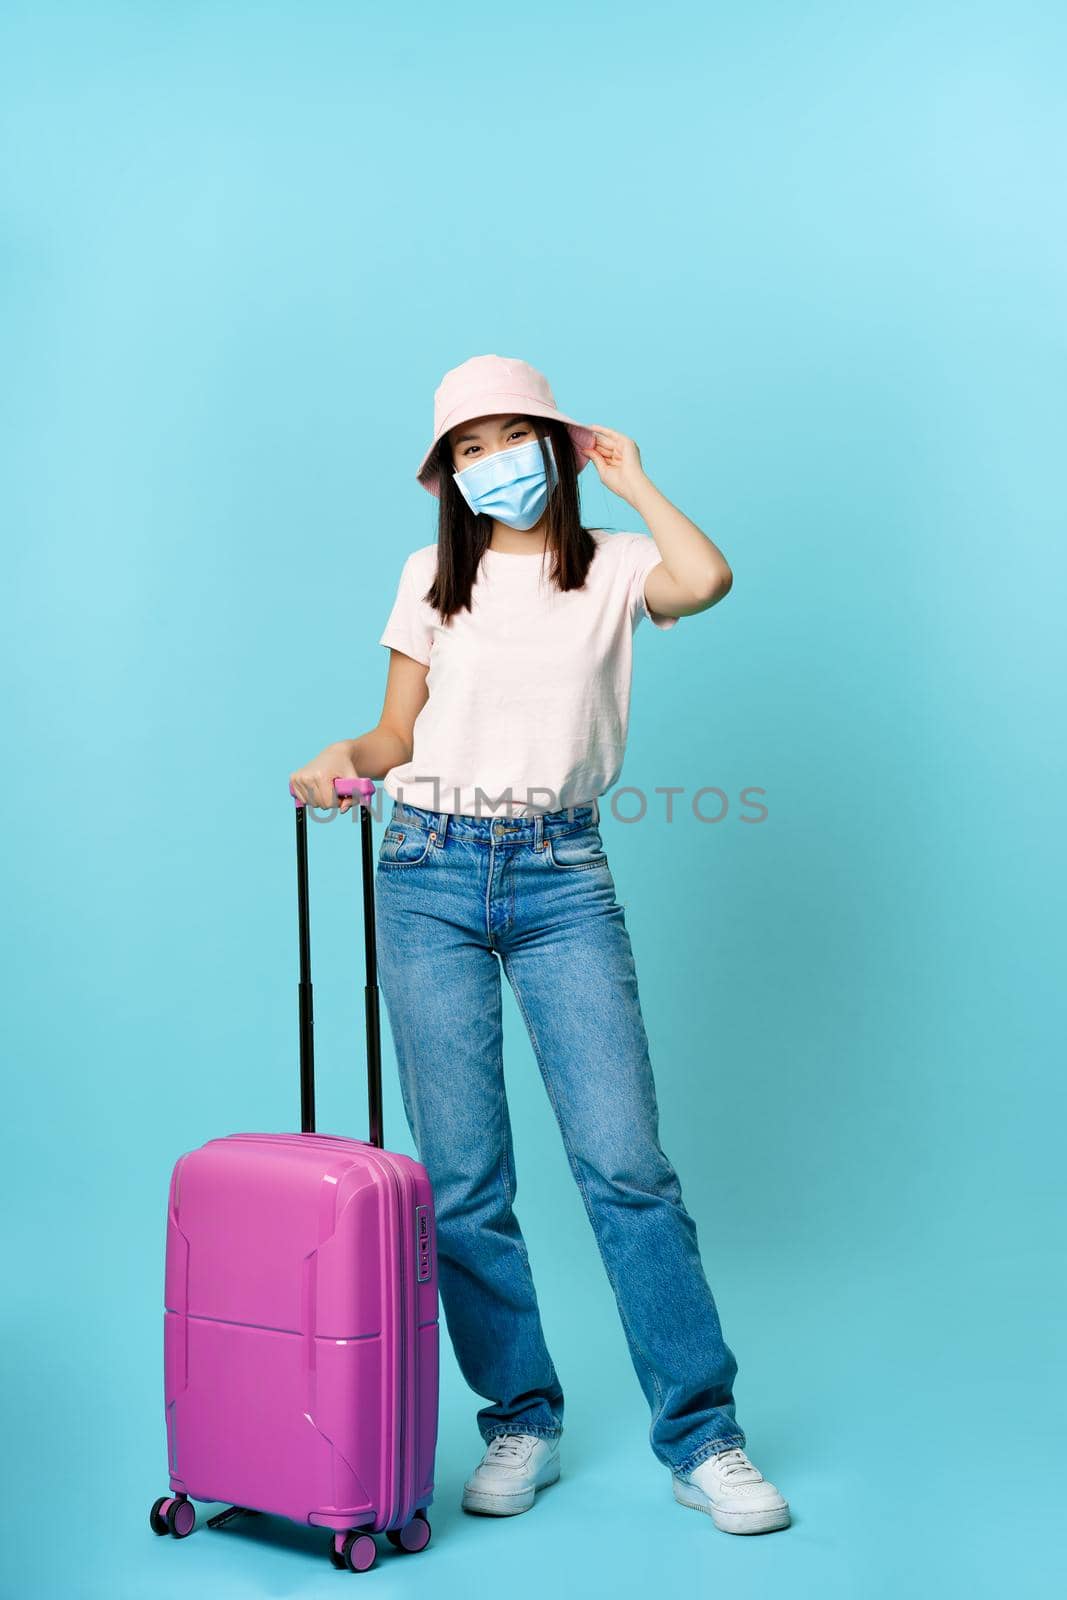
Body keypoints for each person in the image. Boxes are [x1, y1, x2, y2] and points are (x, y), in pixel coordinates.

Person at [289, 354, 790, 1536]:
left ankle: (702, 1435)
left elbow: (706, 579)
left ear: (555, 449)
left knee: (625, 1166)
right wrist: (338, 765)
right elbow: (393, 730)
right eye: (466, 448)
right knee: (462, 1183)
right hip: (425, 870)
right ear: (445, 476)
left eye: (511, 437)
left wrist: (634, 476)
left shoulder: (615, 566)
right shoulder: (428, 577)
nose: (489, 463)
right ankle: (520, 1416)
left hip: (563, 873)